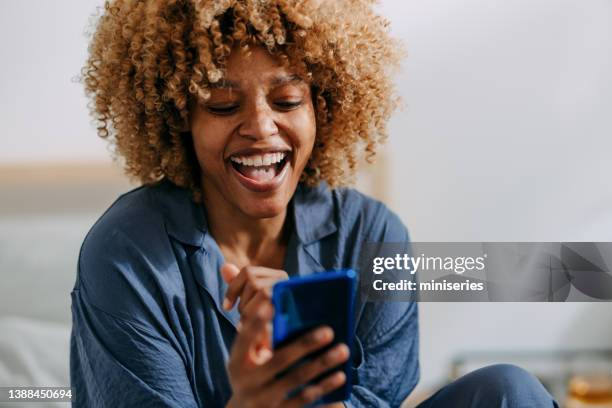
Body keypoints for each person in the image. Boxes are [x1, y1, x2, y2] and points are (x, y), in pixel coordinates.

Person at [70, 1, 559, 407]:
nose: (262, 127)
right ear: (180, 119)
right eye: (222, 105)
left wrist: (305, 387)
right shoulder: (127, 254)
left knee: (508, 390)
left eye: (286, 101)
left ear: (323, 109)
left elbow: (380, 397)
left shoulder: (373, 235)